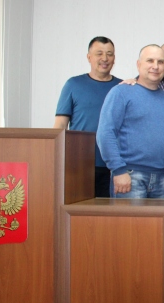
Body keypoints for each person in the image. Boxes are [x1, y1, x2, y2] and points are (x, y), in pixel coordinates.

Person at [96, 44, 164, 198]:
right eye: (150, 61)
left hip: (162, 178)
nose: (155, 66)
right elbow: (105, 133)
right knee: (130, 223)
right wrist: (118, 170)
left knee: (161, 223)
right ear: (139, 64)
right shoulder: (121, 92)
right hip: (129, 175)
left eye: (160, 62)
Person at [54, 36, 121, 198]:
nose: (105, 58)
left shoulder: (122, 87)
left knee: (109, 217)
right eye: (99, 53)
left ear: (114, 58)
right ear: (89, 57)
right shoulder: (73, 84)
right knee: (80, 213)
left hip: (114, 165)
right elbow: (60, 125)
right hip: (80, 163)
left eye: (109, 54)